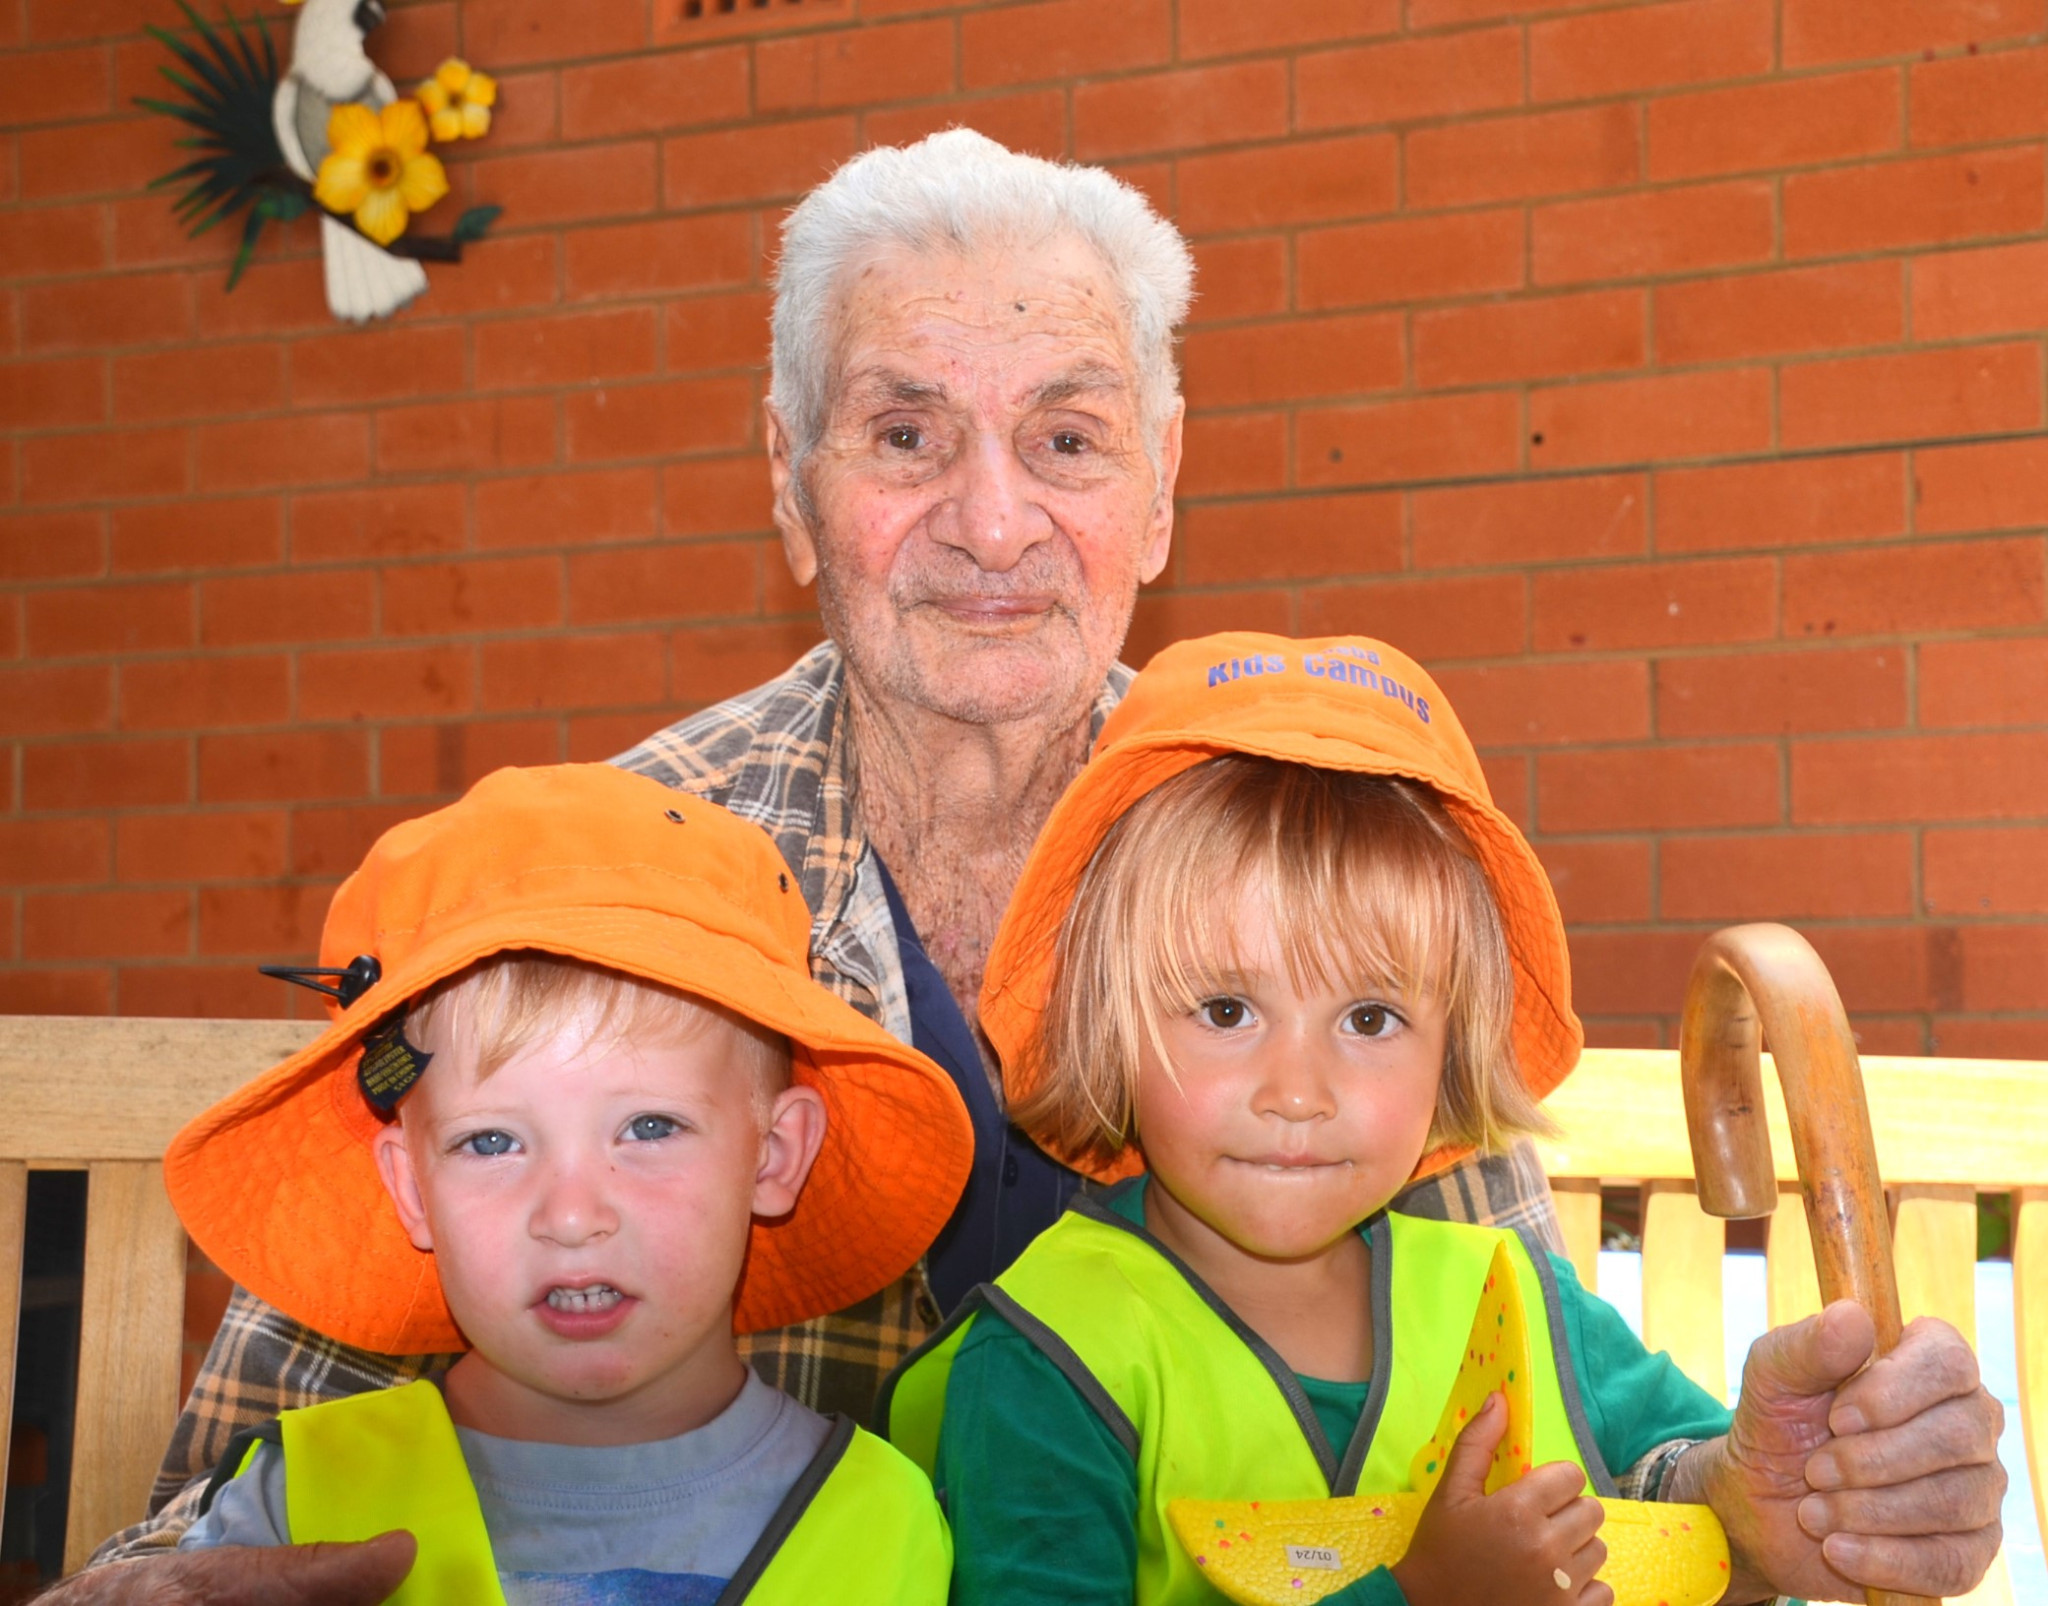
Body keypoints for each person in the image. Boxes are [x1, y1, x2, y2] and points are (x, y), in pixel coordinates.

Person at [69, 132, 1559, 1599]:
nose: (991, 521)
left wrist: (1744, 1477)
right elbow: (243, 1488)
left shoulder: (1315, 833)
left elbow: (1527, 1384)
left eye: (1068, 440)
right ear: (792, 481)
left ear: (1158, 488)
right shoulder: (621, 870)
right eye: (905, 435)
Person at [884, 631, 2007, 1606]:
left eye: (1369, 1016)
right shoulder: (1040, 1363)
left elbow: (1682, 1485)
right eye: (1225, 1008)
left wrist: (1777, 1504)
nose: (1297, 1087)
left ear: (1450, 1044)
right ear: (1108, 1025)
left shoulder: (1507, 1294)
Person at [160, 763, 970, 1603]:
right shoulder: (297, 1510)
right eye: (492, 1142)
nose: (573, 1216)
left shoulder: (888, 1518)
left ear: (772, 1156)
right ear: (410, 1188)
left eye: (649, 1128)